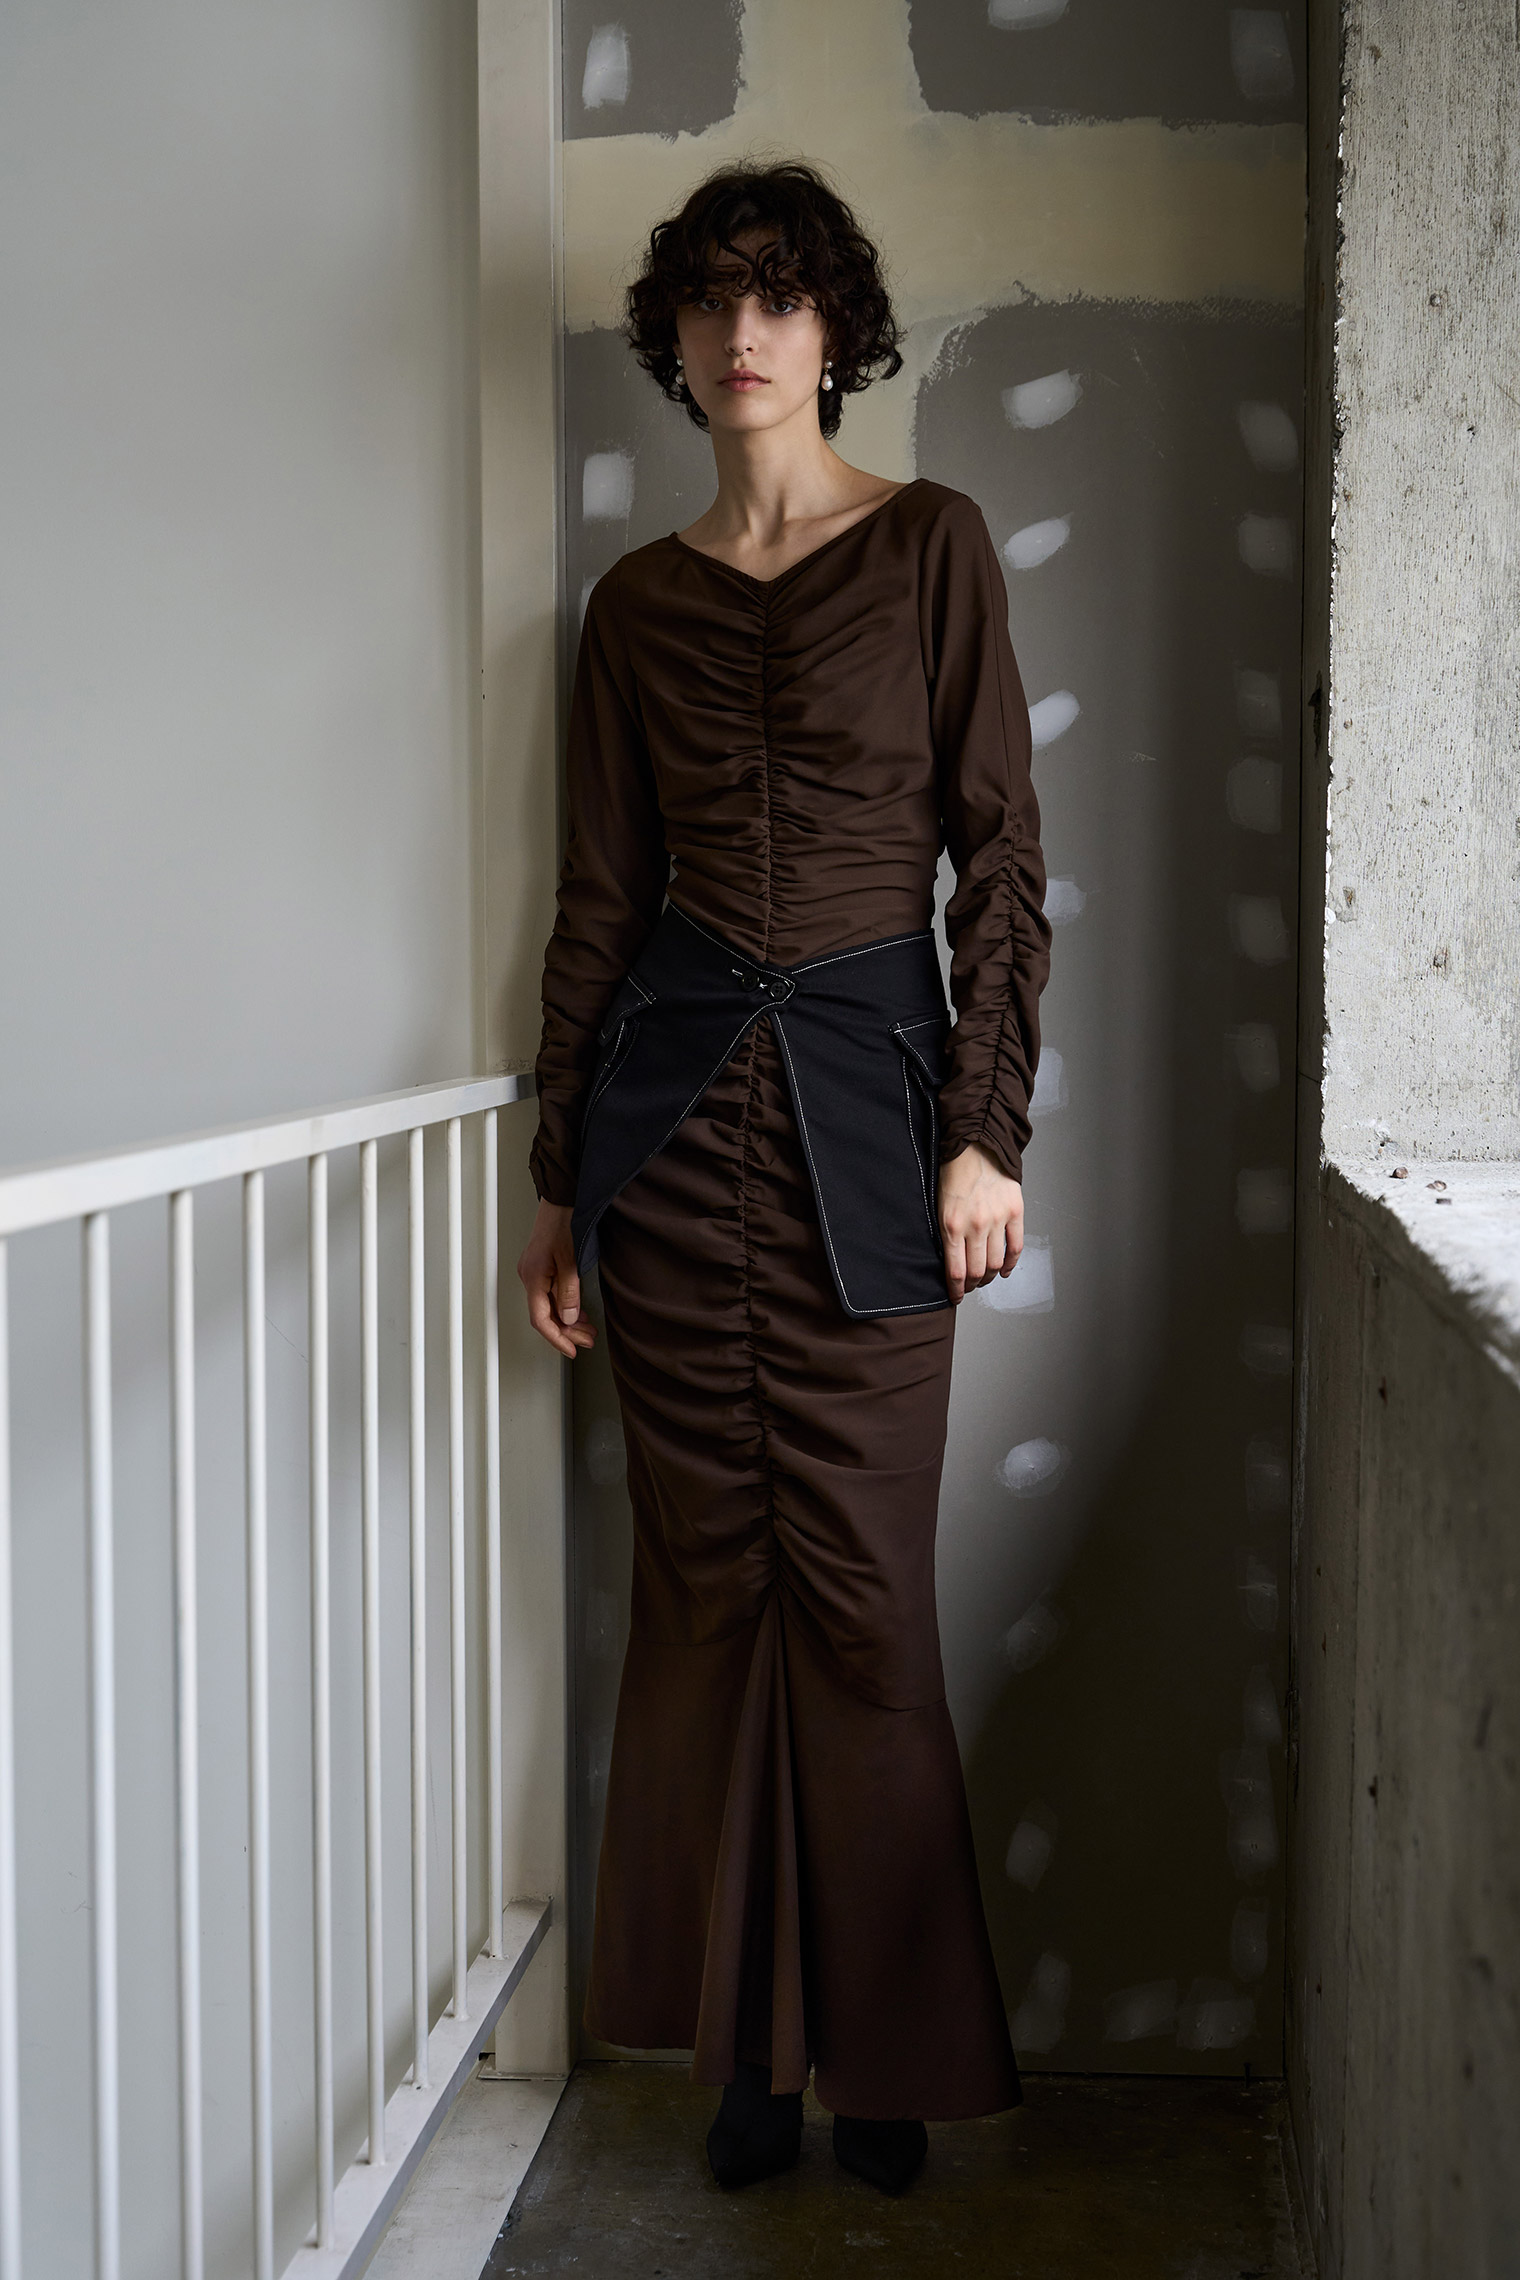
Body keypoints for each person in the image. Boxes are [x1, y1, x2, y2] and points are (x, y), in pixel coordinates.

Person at [518, 159, 1050, 2197]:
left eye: (780, 297)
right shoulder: (631, 608)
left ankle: (880, 2058)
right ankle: (745, 2056)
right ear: (675, 340)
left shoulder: (932, 546)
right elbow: (601, 899)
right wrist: (561, 1177)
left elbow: (1002, 863)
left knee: (864, 1610)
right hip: (667, 1156)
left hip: (875, 1137)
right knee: (706, 1599)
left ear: (836, 334)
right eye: (710, 301)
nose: (743, 333)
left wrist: (986, 1128)